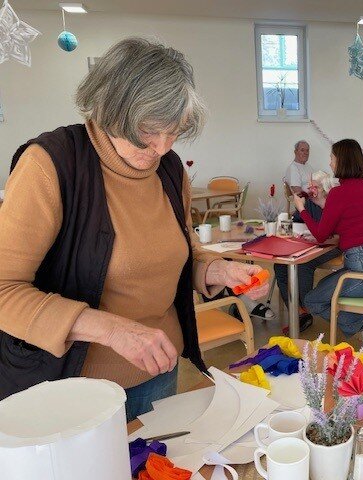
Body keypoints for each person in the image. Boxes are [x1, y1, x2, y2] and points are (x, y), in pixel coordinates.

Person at [0, 38, 268, 420]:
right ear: (110, 110)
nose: (162, 147)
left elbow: (182, 252)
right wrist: (112, 331)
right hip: (73, 388)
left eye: (175, 131)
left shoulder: (170, 169)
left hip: (159, 371)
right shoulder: (51, 165)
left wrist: (217, 270)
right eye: (147, 131)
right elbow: (5, 290)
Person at [293, 139, 363, 352]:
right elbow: (350, 218)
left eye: (332, 158)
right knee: (332, 295)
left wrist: (302, 209)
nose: (330, 163)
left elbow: (321, 235)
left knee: (313, 301)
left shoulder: (339, 193)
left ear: (342, 161)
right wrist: (322, 202)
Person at [275, 140, 340, 333]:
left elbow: (331, 235)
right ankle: (297, 311)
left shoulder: (333, 203)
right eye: (311, 186)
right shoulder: (310, 200)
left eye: (315, 187)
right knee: (280, 265)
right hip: (312, 242)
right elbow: (296, 221)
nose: (311, 190)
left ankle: (305, 306)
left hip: (332, 244)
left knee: (303, 264)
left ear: (326, 188)